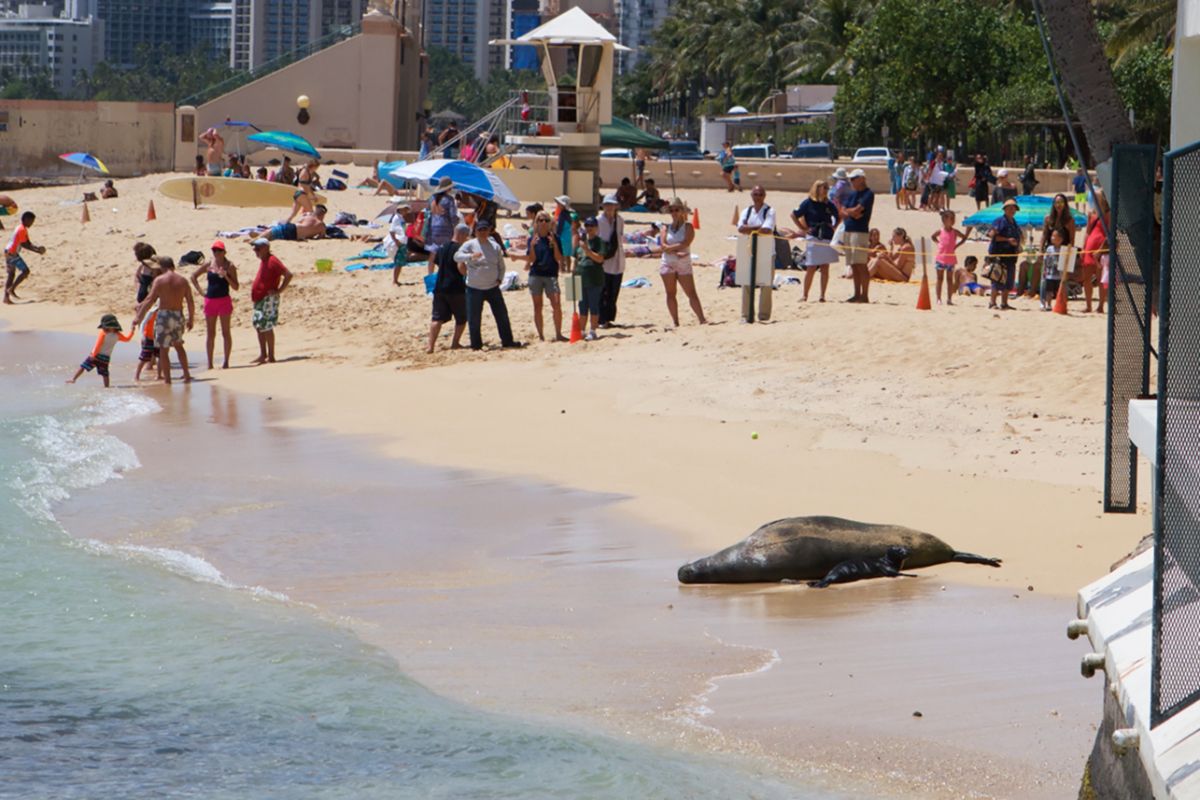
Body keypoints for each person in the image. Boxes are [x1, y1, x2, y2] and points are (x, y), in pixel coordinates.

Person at [454, 219, 521, 350]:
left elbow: (501, 266)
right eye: (480, 230)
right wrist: (470, 256)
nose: (483, 232)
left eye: (485, 229)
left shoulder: (495, 246)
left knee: (502, 315)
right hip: (474, 288)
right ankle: (476, 344)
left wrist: (500, 279)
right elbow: (456, 256)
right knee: (474, 318)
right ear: (476, 231)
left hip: (492, 287)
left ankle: (507, 341)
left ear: (489, 230)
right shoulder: (470, 244)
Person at [132, 256, 195, 384]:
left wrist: (138, 317)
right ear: (173, 266)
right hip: (178, 315)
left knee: (163, 349)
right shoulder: (182, 280)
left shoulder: (159, 281)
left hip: (164, 316)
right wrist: (191, 319)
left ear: (162, 267)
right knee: (179, 346)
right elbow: (190, 302)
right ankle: (187, 375)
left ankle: (167, 380)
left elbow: (150, 300)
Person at [189, 241, 239, 370]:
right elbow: (193, 276)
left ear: (224, 252)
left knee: (225, 332)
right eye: (214, 251)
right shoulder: (208, 264)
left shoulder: (230, 266)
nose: (216, 253)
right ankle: (210, 363)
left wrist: (226, 275)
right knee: (210, 333)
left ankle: (226, 362)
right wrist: (201, 292)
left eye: (219, 250)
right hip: (210, 301)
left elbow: (236, 287)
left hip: (224, 300)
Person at [659, 198, 706, 326]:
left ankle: (702, 318)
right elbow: (663, 244)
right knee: (670, 293)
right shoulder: (665, 227)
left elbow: (686, 242)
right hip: (668, 262)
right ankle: (675, 321)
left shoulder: (688, 227)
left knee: (691, 292)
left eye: (677, 209)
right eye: (672, 210)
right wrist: (675, 251)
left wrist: (670, 248)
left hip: (683, 263)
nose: (674, 212)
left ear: (681, 211)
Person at [522, 210, 567, 342]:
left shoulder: (555, 238)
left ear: (550, 223)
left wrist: (554, 245)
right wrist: (531, 246)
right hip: (536, 274)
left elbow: (559, 258)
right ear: (536, 222)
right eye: (540, 220)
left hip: (551, 274)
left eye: (546, 220)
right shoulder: (533, 239)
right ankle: (541, 335)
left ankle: (558, 333)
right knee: (538, 306)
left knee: (557, 304)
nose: (543, 223)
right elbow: (531, 260)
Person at [791, 179, 839, 303]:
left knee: (825, 267)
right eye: (824, 188)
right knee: (811, 267)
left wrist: (834, 227)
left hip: (827, 236)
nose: (826, 190)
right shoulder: (808, 203)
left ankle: (822, 295)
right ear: (817, 189)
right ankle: (805, 295)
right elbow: (794, 215)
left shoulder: (829, 204)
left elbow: (838, 216)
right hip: (813, 236)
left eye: (827, 188)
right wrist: (803, 228)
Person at [247, 238, 293, 364]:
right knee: (258, 325)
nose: (255, 251)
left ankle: (271, 356)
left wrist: (279, 290)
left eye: (258, 248)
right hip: (260, 298)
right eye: (254, 249)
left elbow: (288, 274)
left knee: (266, 326)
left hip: (268, 299)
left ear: (266, 248)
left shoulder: (273, 261)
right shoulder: (264, 260)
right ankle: (263, 354)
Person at [736, 186, 776, 320]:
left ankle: (764, 315)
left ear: (764, 196)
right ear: (751, 195)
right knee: (746, 283)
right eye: (755, 194)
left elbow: (767, 229)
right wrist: (756, 228)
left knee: (766, 284)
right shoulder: (746, 211)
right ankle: (746, 314)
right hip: (747, 248)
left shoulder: (770, 211)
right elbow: (740, 228)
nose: (757, 197)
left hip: (766, 248)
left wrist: (749, 228)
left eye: (760, 194)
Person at [427, 222, 469, 353]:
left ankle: (430, 346)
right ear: (462, 234)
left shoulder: (442, 247)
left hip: (440, 287)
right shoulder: (460, 250)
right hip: (455, 287)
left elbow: (434, 262)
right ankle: (455, 343)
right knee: (462, 318)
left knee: (437, 318)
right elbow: (461, 268)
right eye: (466, 236)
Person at [67, 314, 133, 388]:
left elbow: (98, 345)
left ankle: (73, 379)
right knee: (105, 374)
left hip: (96, 355)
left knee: (83, 367)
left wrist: (93, 355)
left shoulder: (103, 333)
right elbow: (127, 339)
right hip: (106, 357)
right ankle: (107, 387)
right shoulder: (118, 335)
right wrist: (132, 331)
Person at [841, 169, 875, 303]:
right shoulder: (852, 194)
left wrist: (850, 212)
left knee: (861, 264)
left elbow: (856, 211)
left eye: (853, 179)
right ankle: (856, 294)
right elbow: (844, 211)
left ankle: (864, 295)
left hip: (860, 230)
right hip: (849, 229)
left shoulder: (868, 194)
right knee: (853, 264)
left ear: (861, 179)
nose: (851, 182)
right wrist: (852, 212)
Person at [574, 217, 608, 340]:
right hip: (580, 278)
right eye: (587, 225)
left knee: (593, 305)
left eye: (592, 225)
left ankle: (593, 330)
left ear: (596, 227)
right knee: (582, 306)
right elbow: (576, 259)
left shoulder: (599, 242)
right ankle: (582, 330)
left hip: (594, 278)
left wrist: (587, 250)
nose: (589, 228)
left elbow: (600, 259)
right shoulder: (581, 242)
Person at [987, 199, 1022, 310]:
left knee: (1009, 281)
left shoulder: (1014, 222)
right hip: (999, 255)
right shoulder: (999, 221)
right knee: (997, 279)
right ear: (1005, 209)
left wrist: (1017, 246)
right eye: (1009, 208)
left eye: (1014, 208)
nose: (1012, 210)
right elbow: (993, 236)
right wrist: (1007, 240)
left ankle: (1004, 303)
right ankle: (992, 302)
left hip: (1011, 256)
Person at [597, 194, 626, 328]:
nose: (609, 207)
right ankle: (601, 320)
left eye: (612, 205)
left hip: (618, 260)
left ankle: (608, 319)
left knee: (614, 291)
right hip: (603, 261)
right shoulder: (597, 221)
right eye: (607, 205)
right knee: (604, 291)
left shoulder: (620, 220)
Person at [4, 211, 45, 304]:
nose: (32, 223)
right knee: (25, 271)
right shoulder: (22, 229)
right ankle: (11, 289)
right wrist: (37, 251)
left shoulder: (22, 228)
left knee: (11, 275)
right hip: (12, 253)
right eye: (31, 221)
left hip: (8, 251)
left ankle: (6, 298)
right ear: (26, 220)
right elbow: (24, 245)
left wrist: (37, 248)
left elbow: (28, 242)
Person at [1082, 188, 1110, 314]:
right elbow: (1087, 232)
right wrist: (1083, 248)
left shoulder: (1108, 214)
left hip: (1102, 248)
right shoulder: (1091, 213)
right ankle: (1088, 305)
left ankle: (1100, 306)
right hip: (1089, 247)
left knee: (1100, 278)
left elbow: (1109, 234)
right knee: (1086, 277)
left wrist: (1100, 250)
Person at [931, 210, 967, 305]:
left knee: (950, 280)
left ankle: (949, 299)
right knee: (939, 279)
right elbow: (933, 236)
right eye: (951, 218)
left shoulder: (955, 232)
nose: (953, 220)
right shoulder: (941, 231)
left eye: (953, 218)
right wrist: (938, 243)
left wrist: (956, 246)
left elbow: (964, 237)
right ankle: (938, 299)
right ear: (944, 220)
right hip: (940, 258)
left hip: (950, 259)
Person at [427, 177, 460, 272]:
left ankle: (430, 274)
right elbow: (453, 216)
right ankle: (442, 273)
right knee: (444, 252)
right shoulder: (449, 199)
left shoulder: (432, 198)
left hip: (433, 227)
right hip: (445, 228)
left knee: (433, 253)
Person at [284, 158, 320, 223]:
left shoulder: (307, 172)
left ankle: (285, 224)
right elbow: (305, 186)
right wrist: (311, 196)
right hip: (302, 194)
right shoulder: (305, 172)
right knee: (310, 212)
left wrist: (313, 195)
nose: (316, 169)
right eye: (316, 167)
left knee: (293, 214)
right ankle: (302, 225)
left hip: (299, 194)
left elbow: (308, 186)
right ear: (313, 166)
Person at [1041, 227, 1066, 311]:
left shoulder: (1064, 249)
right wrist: (1044, 270)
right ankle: (1048, 304)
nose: (1053, 238)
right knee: (1049, 291)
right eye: (1052, 236)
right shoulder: (1049, 249)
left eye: (1055, 236)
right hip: (1050, 274)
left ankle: (1060, 304)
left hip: (1059, 275)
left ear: (1061, 239)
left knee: (1060, 291)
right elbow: (1045, 260)